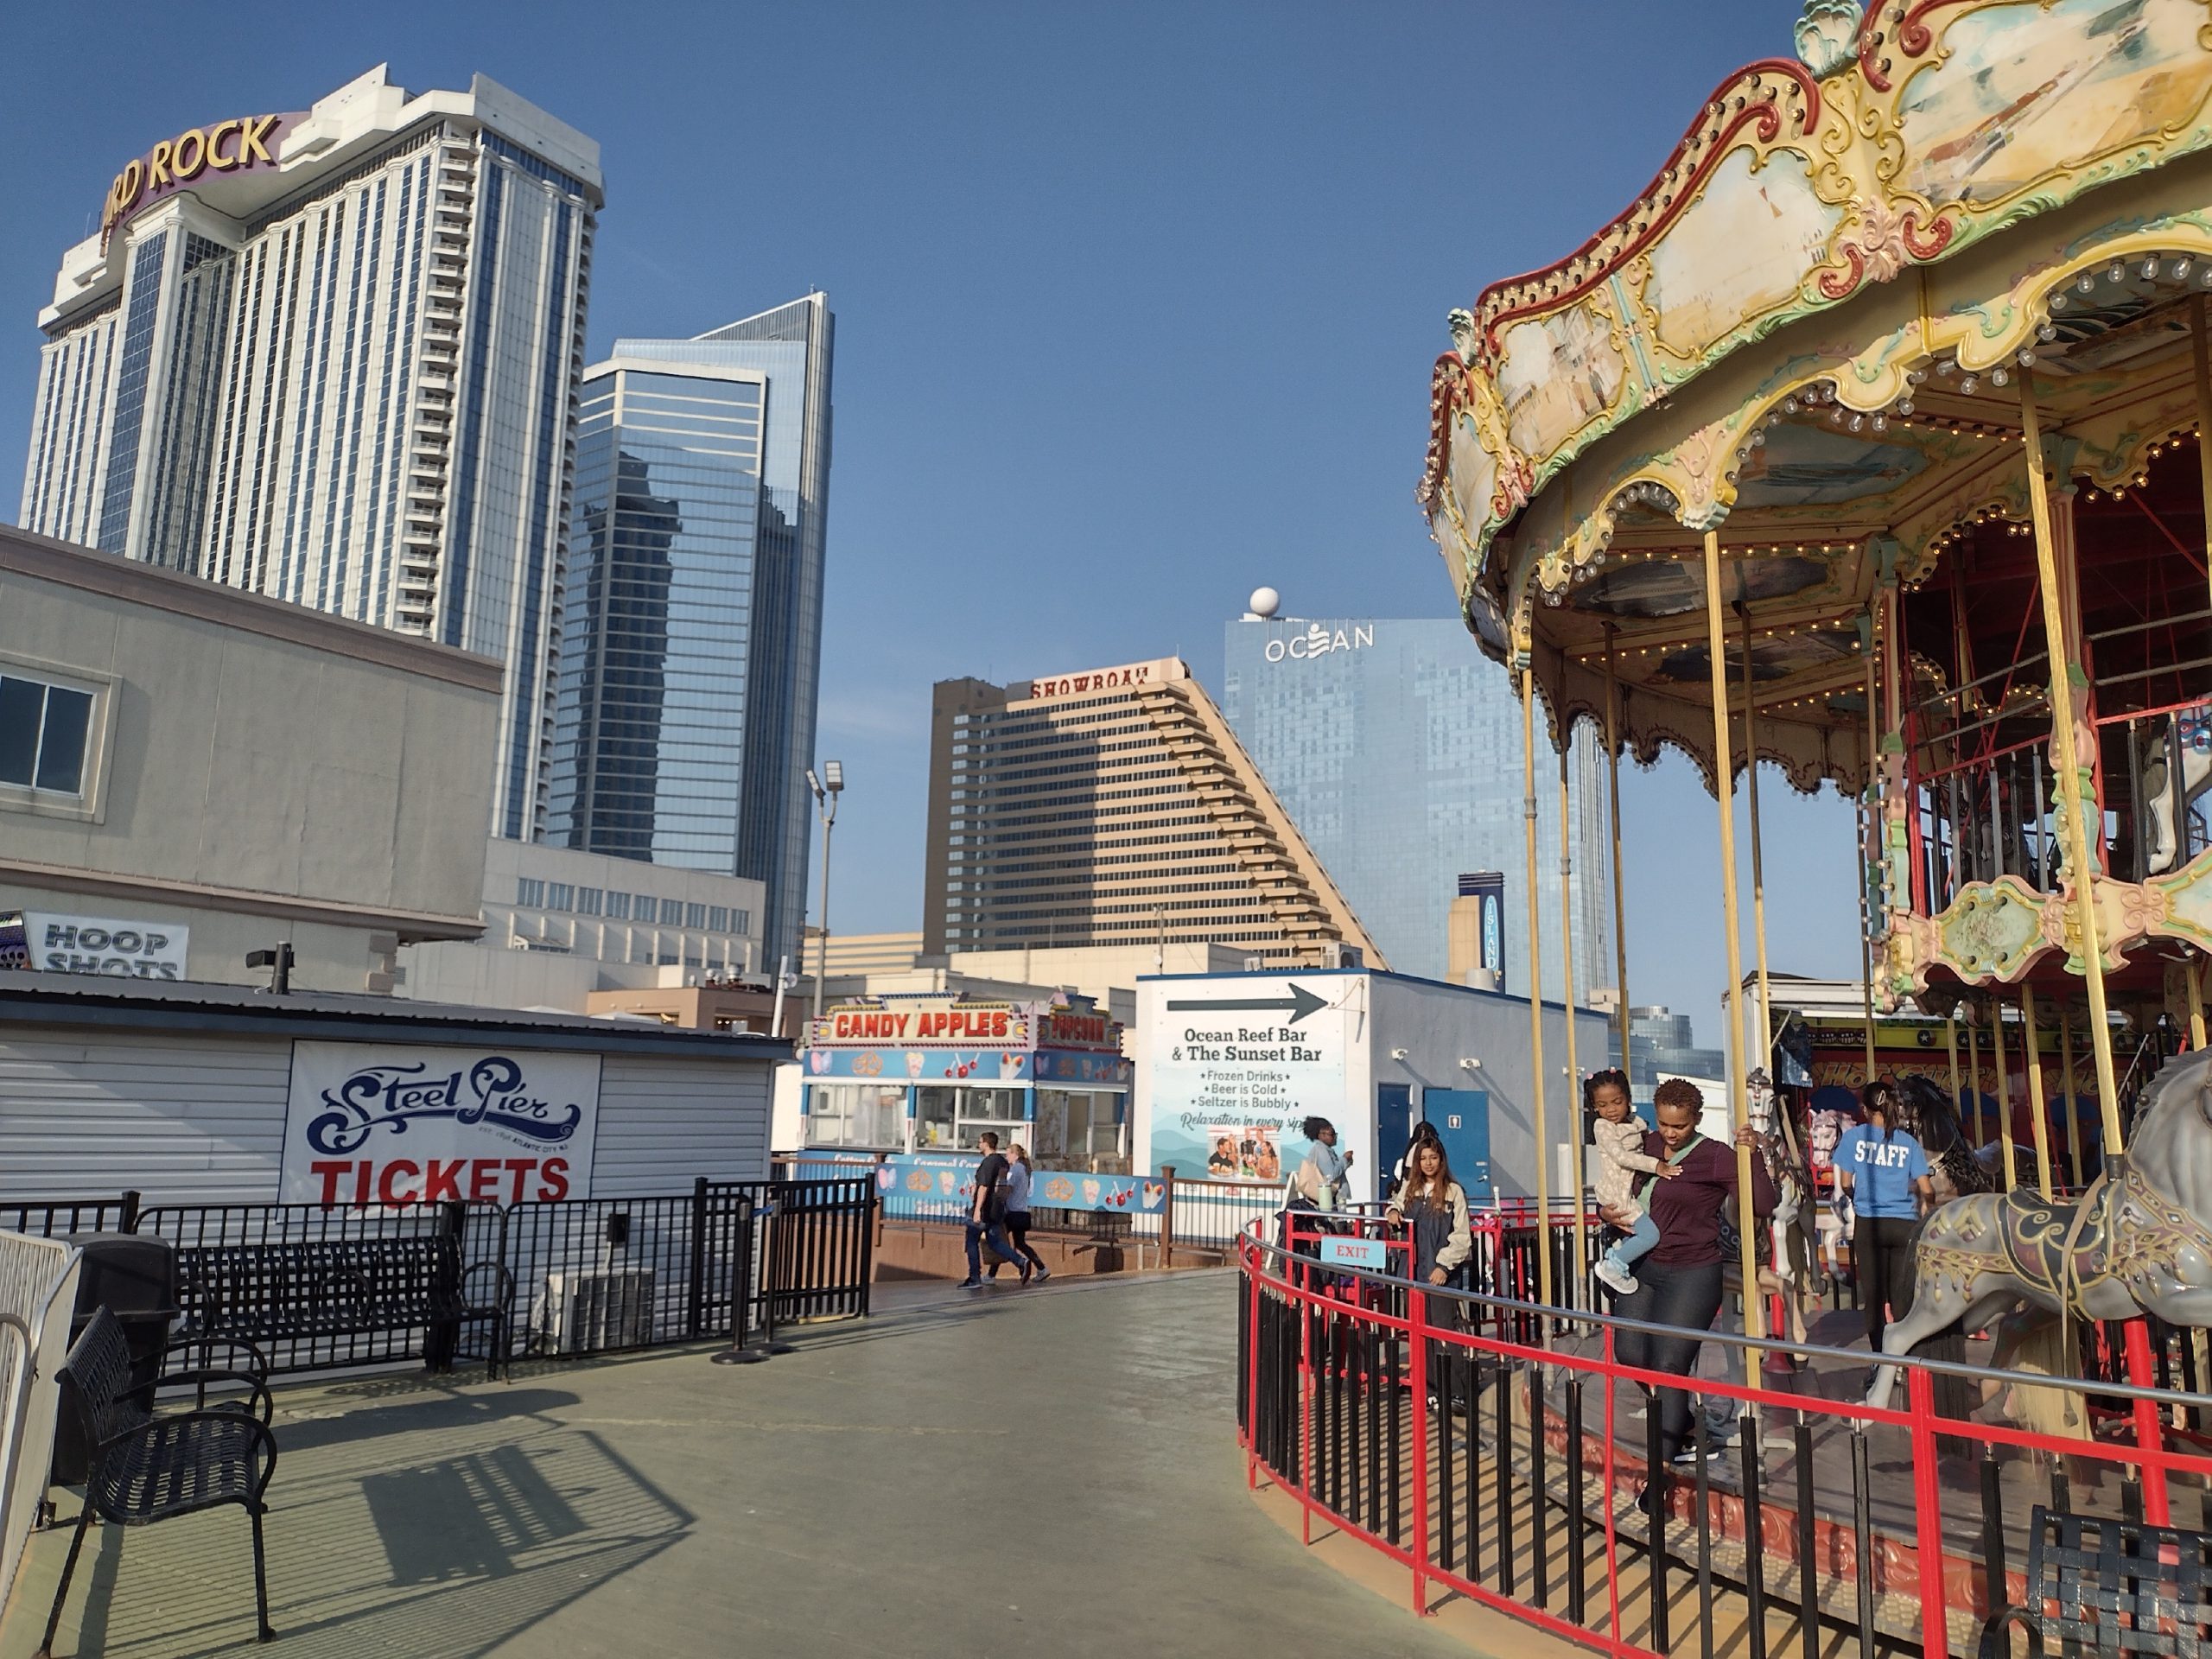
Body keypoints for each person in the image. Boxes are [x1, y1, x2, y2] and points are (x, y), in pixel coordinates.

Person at [1599, 1077, 1777, 1493]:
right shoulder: (1642, 1145)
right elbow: (1616, 1189)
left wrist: (1755, 1156)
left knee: (1668, 1366)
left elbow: (1764, 1205)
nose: (1669, 1133)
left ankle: (1659, 1474)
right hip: (1644, 1266)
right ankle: (1690, 1426)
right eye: (1663, 1124)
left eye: (1678, 1125)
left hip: (1693, 1271)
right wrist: (1604, 1213)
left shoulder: (1715, 1156)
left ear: (1695, 1119)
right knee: (1629, 1352)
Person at [1834, 1079, 1933, 1356]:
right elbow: (1927, 1188)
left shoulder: (1854, 1138)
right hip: (1904, 1225)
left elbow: (1845, 1182)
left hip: (1870, 1223)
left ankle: (1881, 1360)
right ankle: (1904, 1356)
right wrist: (1926, 1206)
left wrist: (1857, 1197)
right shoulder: (1908, 1143)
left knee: (1874, 1300)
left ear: (1865, 1110)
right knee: (1902, 1299)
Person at [1586, 1068, 1675, 1296]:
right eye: (1602, 1105)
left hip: (1629, 1190)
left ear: (1628, 1099)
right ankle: (1612, 1266)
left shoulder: (1637, 1122)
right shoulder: (1602, 1127)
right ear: (1595, 1107)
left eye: (1617, 1102)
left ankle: (1617, 1255)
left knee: (1641, 1231)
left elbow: (1650, 1137)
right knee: (1650, 1235)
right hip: (1618, 1193)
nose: (1611, 1110)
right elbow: (1621, 1156)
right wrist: (1657, 1165)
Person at [1386, 1137, 1472, 1289]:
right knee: (1411, 1313)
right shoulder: (1409, 1188)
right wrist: (1393, 1212)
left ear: (1441, 1160)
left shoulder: (1454, 1191)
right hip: (1410, 1273)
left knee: (1442, 1314)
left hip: (1441, 1277)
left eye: (1433, 1157)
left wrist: (1444, 1267)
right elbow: (1396, 1206)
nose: (1428, 1163)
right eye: (1423, 1158)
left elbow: (1462, 1236)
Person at [959, 1131, 1031, 1288]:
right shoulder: (1003, 1162)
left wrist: (977, 1209)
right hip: (996, 1211)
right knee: (994, 1242)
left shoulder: (988, 1162)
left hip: (985, 1209)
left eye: (980, 1142)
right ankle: (1020, 1261)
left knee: (971, 1242)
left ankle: (974, 1277)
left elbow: (984, 1187)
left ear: (986, 1143)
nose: (979, 1145)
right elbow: (1001, 1187)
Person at [987, 1143, 1052, 1283]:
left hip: (1012, 1213)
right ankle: (1041, 1268)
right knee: (1020, 1243)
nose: (1006, 1157)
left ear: (1015, 1155)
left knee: (999, 1242)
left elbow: (1006, 1192)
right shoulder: (1024, 1169)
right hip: (1021, 1211)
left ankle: (992, 1275)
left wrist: (1000, 1186)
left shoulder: (1015, 1170)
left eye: (1008, 1154)